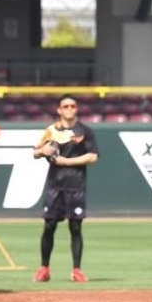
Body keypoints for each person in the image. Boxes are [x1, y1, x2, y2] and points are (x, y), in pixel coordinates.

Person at [32, 94, 99, 283]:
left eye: (72, 105)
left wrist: (67, 162)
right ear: (59, 110)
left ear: (76, 108)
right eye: (65, 106)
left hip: (76, 184)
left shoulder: (84, 130)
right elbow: (36, 152)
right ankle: (44, 268)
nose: (69, 109)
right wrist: (42, 151)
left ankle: (76, 270)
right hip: (55, 185)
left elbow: (93, 156)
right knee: (49, 226)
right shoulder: (51, 130)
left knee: (75, 227)